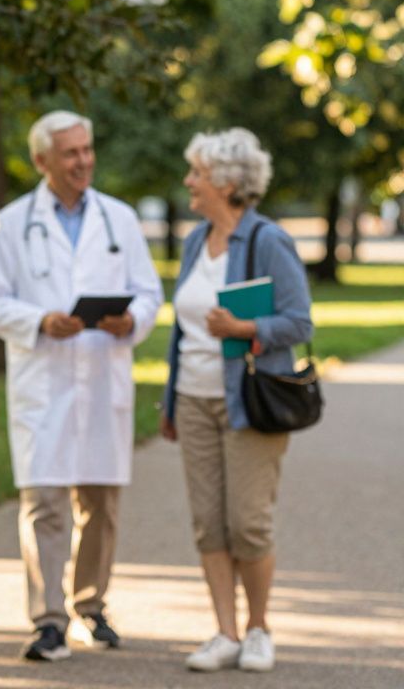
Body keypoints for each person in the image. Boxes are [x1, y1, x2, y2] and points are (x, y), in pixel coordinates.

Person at [0, 110, 163, 661]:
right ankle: (49, 619)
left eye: (87, 149)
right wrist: (39, 322)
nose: (83, 161)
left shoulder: (120, 219)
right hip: (46, 378)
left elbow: (148, 292)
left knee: (100, 504)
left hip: (102, 374)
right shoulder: (11, 222)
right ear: (41, 161)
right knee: (46, 504)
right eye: (70, 153)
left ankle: (91, 604)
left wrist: (134, 322)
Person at [160, 128, 312, 673]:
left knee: (248, 523)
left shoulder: (268, 240)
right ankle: (224, 631)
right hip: (195, 399)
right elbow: (183, 329)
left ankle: (259, 628)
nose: (189, 183)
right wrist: (170, 401)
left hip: (249, 399)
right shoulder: (199, 240)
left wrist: (245, 326)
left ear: (225, 182)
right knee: (209, 523)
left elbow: (299, 322)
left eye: (196, 173)